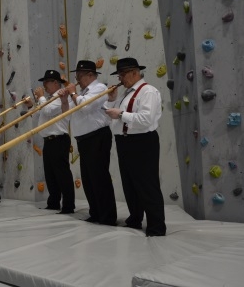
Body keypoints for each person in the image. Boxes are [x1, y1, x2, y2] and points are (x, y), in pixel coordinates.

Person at [103, 57, 166, 237]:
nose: (120, 79)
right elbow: (113, 118)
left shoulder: (148, 91)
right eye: (119, 75)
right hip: (125, 142)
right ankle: (135, 219)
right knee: (129, 184)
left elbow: (145, 119)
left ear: (134, 73)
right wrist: (112, 101)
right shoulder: (127, 93)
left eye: (122, 74)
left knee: (147, 184)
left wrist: (121, 114)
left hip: (143, 142)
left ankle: (157, 226)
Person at [62, 60, 117, 226]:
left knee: (99, 176)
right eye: (77, 74)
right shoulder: (80, 93)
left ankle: (107, 216)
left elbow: (85, 107)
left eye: (80, 74)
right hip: (84, 139)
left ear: (91, 75)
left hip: (97, 136)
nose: (77, 78)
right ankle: (95, 212)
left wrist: (72, 93)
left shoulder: (99, 88)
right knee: (88, 178)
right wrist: (65, 99)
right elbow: (67, 115)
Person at [26, 70, 75, 214]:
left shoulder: (61, 96)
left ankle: (68, 205)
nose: (44, 85)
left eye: (46, 82)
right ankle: (53, 202)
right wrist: (30, 106)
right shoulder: (47, 99)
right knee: (50, 174)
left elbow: (47, 111)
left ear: (55, 83)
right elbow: (38, 117)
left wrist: (41, 97)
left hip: (59, 139)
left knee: (62, 174)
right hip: (48, 140)